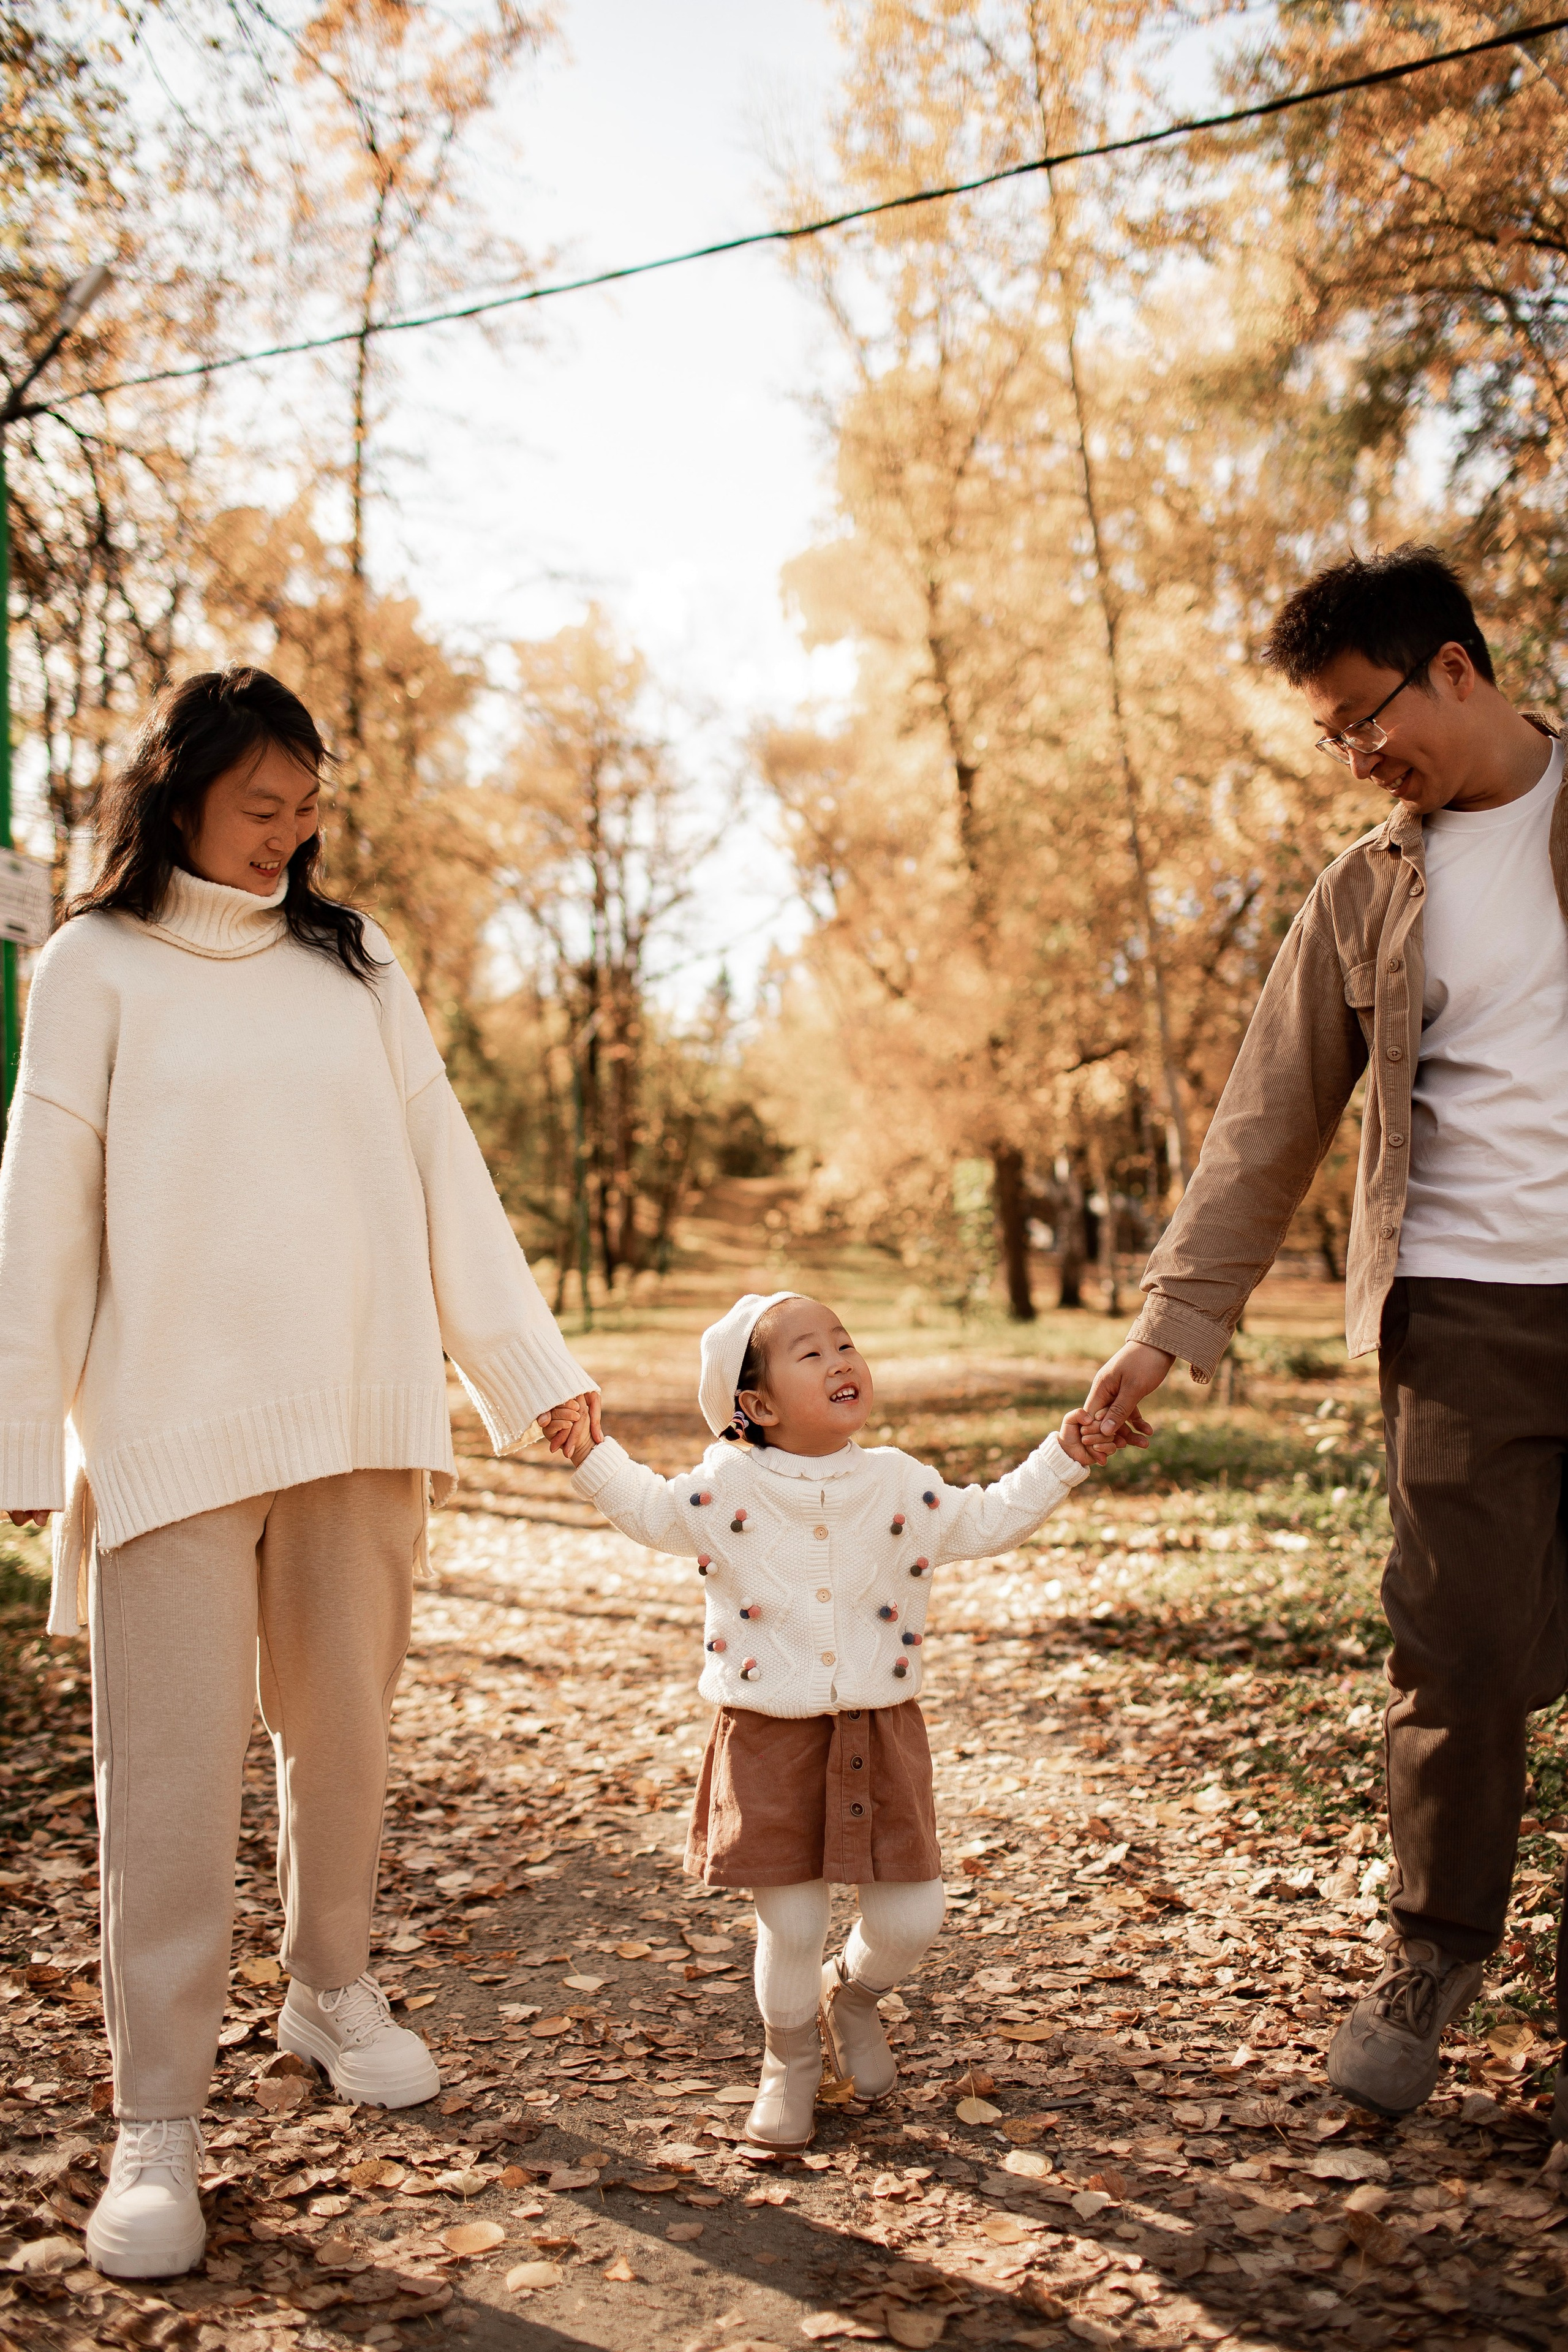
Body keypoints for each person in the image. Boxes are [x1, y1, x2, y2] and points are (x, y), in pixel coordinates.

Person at [0, 667, 599, 2278]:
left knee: (341, 1740)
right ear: (179, 794)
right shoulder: (94, 965)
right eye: (263, 807)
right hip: (168, 1430)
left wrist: (527, 1374)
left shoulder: (356, 961)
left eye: (309, 810)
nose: (290, 837)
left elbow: (440, 1166)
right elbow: (40, 1201)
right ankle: (159, 2121)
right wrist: (16, 1434)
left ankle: (329, 1992)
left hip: (359, 1406)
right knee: (168, 1790)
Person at [1082, 545, 1568, 2124]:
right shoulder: (1367, 889)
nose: (1363, 759)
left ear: (1451, 667)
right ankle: (1432, 1955)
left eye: (1367, 718)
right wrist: (1168, 1326)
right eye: (1334, 740)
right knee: (1455, 1648)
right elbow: (1264, 1122)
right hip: (1458, 1313)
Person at [559, 1289, 1120, 2149]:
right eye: (810, 1353)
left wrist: (1067, 1453)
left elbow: (991, 1516)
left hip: (879, 1727)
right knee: (791, 1924)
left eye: (845, 1342)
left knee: (911, 1917)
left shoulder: (898, 1480)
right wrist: (588, 1451)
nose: (840, 1360)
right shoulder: (728, 1484)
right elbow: (647, 1508)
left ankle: (849, 1997)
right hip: (769, 1732)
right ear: (758, 1404)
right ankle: (787, 2060)